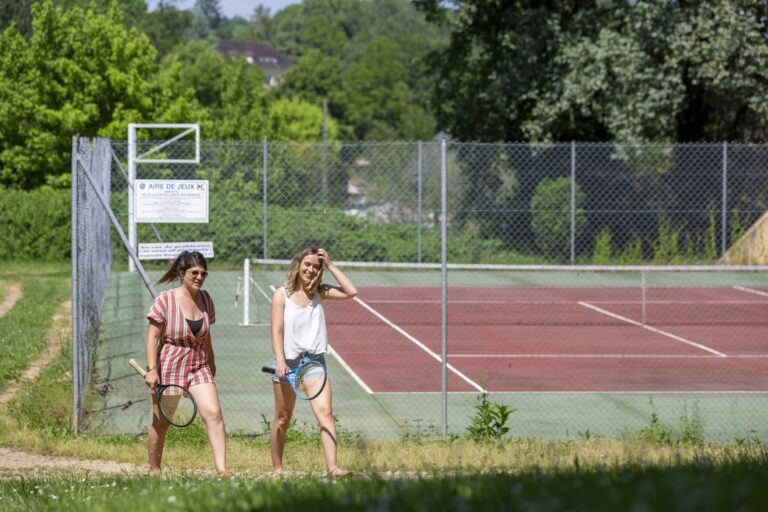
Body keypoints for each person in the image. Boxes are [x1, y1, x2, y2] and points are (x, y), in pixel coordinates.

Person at [269, 246, 357, 478]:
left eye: (315, 267)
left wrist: (329, 263)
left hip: (314, 364)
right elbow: (276, 331)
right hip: (287, 363)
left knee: (325, 413)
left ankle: (333, 468)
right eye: (307, 265)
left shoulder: (320, 292)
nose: (310, 269)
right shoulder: (281, 294)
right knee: (282, 417)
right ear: (298, 266)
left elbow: (351, 291)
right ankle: (277, 469)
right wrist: (280, 361)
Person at [142, 250, 228, 476]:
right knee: (162, 422)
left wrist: (211, 360)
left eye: (203, 273)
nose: (199, 277)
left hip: (199, 365)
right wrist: (152, 370)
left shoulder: (206, 299)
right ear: (182, 273)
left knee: (214, 414)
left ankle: (222, 469)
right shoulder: (165, 300)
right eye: (194, 273)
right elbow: (152, 337)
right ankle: (154, 469)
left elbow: (206, 335)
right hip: (170, 366)